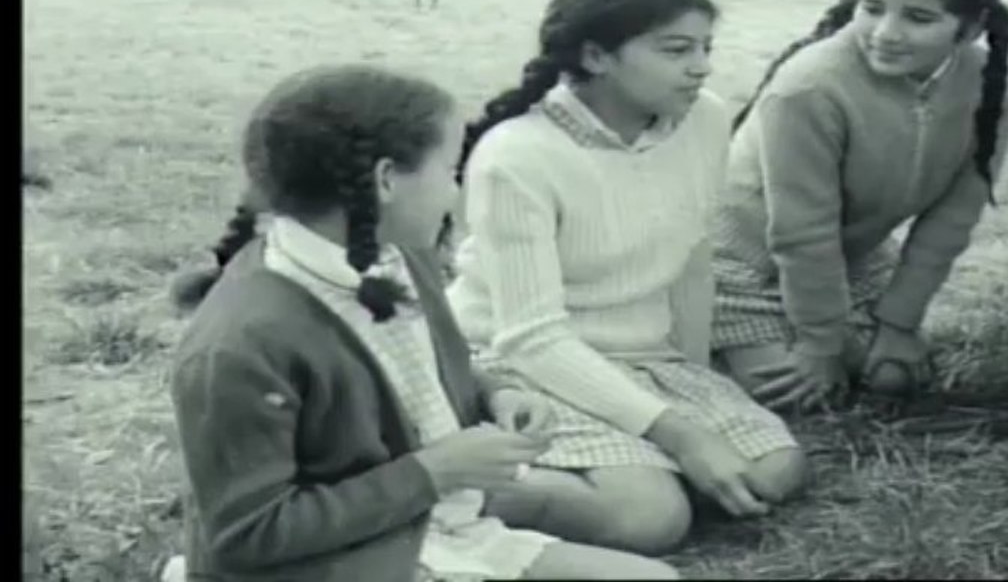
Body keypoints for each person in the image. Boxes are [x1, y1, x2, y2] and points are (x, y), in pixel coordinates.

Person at [167, 65, 678, 580]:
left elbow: (409, 374)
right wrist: (434, 472)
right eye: (450, 172)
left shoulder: (401, 258)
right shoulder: (241, 344)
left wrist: (494, 392)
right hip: (322, 561)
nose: (456, 193)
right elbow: (249, 536)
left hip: (424, 524)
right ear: (387, 180)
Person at [446, 0, 808, 554]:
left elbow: (693, 260)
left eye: (705, 48)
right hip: (523, 359)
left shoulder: (705, 118)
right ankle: (456, 490)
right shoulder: (518, 154)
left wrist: (694, 382)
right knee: (649, 519)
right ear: (596, 56)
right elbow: (533, 338)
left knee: (773, 471)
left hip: (644, 356)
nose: (702, 67)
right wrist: (680, 434)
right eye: (676, 50)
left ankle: (620, 467)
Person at [711, 0, 1008, 409]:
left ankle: (819, 337)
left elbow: (953, 218)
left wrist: (900, 323)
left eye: (918, 18)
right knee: (806, 396)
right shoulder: (809, 87)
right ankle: (700, 345)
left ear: (970, 28)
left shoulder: (998, 82)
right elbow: (802, 229)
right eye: (873, 8)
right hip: (741, 261)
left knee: (892, 381)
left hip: (852, 259)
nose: (885, 32)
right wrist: (820, 344)